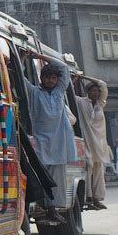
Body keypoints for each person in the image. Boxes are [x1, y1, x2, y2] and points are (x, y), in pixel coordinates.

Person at [23, 58, 77, 224]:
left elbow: (64, 68)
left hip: (59, 143)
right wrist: (24, 59)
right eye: (47, 77)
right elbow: (19, 76)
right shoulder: (34, 92)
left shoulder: (60, 91)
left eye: (54, 78)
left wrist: (40, 55)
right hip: (41, 143)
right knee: (41, 177)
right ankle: (45, 209)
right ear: (41, 78)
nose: (50, 81)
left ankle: (53, 210)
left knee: (56, 179)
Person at [73, 79, 112, 209]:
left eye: (97, 91)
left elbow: (104, 85)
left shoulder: (100, 104)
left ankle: (97, 198)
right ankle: (88, 198)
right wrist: (74, 80)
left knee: (98, 169)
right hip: (88, 141)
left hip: (100, 143)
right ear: (87, 92)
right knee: (88, 167)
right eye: (93, 90)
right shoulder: (81, 102)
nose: (96, 93)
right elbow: (68, 92)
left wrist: (85, 76)